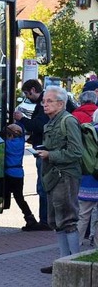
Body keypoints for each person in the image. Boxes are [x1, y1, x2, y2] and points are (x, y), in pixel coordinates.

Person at [38, 85, 84, 274]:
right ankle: (63, 262)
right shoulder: (51, 122)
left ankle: (74, 263)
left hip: (65, 176)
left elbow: (76, 152)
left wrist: (50, 155)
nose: (44, 104)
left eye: (49, 101)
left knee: (67, 219)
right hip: (53, 176)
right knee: (55, 220)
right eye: (44, 101)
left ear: (61, 103)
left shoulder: (68, 121)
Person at [14, 79, 50, 227]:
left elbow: (39, 125)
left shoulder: (43, 105)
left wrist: (22, 119)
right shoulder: (41, 104)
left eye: (27, 94)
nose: (27, 97)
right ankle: (46, 219)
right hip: (41, 148)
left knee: (43, 187)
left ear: (34, 90)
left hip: (43, 150)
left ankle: (45, 220)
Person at [73, 90, 98, 246]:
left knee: (83, 214)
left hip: (87, 176)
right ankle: (96, 246)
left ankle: (75, 246)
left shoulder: (78, 119)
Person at [4, 123, 40, 231]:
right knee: (19, 198)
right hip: (19, 173)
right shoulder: (20, 142)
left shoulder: (7, 144)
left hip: (9, 173)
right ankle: (29, 217)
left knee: (5, 192)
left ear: (10, 135)